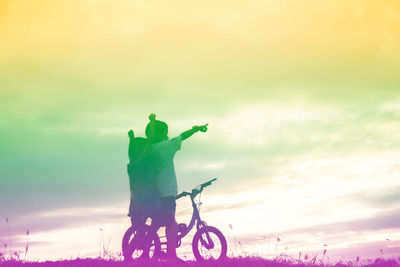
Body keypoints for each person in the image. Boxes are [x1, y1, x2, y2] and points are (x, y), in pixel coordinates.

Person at [145, 114, 208, 261]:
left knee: (157, 223)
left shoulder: (150, 150)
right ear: (159, 134)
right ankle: (172, 256)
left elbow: (154, 138)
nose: (167, 135)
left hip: (154, 193)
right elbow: (182, 136)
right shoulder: (164, 147)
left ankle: (147, 252)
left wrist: (152, 124)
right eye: (165, 131)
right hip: (166, 192)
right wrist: (196, 129)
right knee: (170, 223)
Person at [126, 130, 160, 258]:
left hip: (137, 202)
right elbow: (149, 145)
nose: (146, 149)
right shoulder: (142, 163)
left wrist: (131, 139)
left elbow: (131, 153)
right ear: (140, 150)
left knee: (139, 232)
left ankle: (136, 255)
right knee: (145, 229)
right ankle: (136, 254)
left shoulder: (132, 164)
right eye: (144, 148)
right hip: (146, 200)